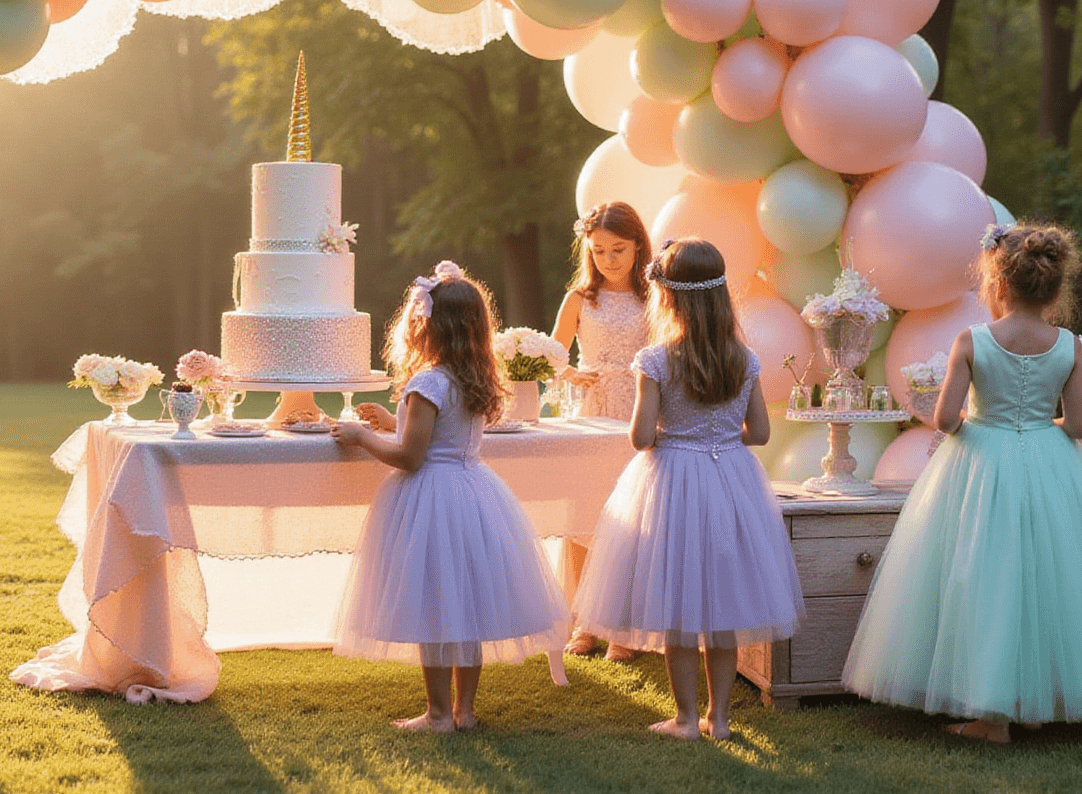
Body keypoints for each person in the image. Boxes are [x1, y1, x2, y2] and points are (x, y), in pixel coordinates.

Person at [841, 223, 1082, 743]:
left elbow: (947, 419)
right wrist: (1044, 426)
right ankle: (1034, 698)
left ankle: (990, 717)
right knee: (1047, 576)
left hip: (980, 460)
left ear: (997, 283)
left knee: (983, 575)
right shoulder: (1068, 345)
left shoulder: (972, 340)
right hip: (1050, 460)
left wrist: (982, 420)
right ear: (1055, 290)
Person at [572, 239, 803, 740]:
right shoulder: (743, 359)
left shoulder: (656, 360)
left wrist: (678, 437)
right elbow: (759, 433)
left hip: (672, 481)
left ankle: (684, 719)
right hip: (730, 480)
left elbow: (639, 436)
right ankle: (719, 720)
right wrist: (718, 436)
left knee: (676, 607)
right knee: (722, 610)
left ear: (667, 297)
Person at [331, 261, 571, 733]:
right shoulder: (473, 379)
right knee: (466, 607)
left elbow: (409, 456)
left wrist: (362, 436)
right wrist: (389, 418)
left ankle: (437, 714)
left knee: (436, 608)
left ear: (427, 324)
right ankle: (464, 710)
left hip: (431, 498)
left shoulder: (427, 383)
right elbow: (441, 434)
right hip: (472, 491)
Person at [550, 202, 653, 660]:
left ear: (637, 247)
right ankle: (584, 622)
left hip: (637, 406)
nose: (609, 260)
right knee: (585, 516)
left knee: (632, 517)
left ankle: (622, 627)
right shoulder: (580, 299)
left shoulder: (653, 296)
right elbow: (552, 352)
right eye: (599, 251)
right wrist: (571, 374)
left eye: (618, 249)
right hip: (592, 410)